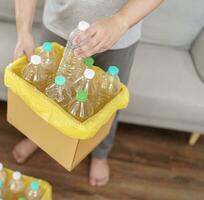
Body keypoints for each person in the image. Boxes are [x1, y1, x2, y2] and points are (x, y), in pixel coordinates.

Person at [12, 0, 163, 187]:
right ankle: (37, 137)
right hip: (59, 24)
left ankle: (100, 154)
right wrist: (23, 31)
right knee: (48, 93)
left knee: (105, 103)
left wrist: (120, 21)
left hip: (118, 35)